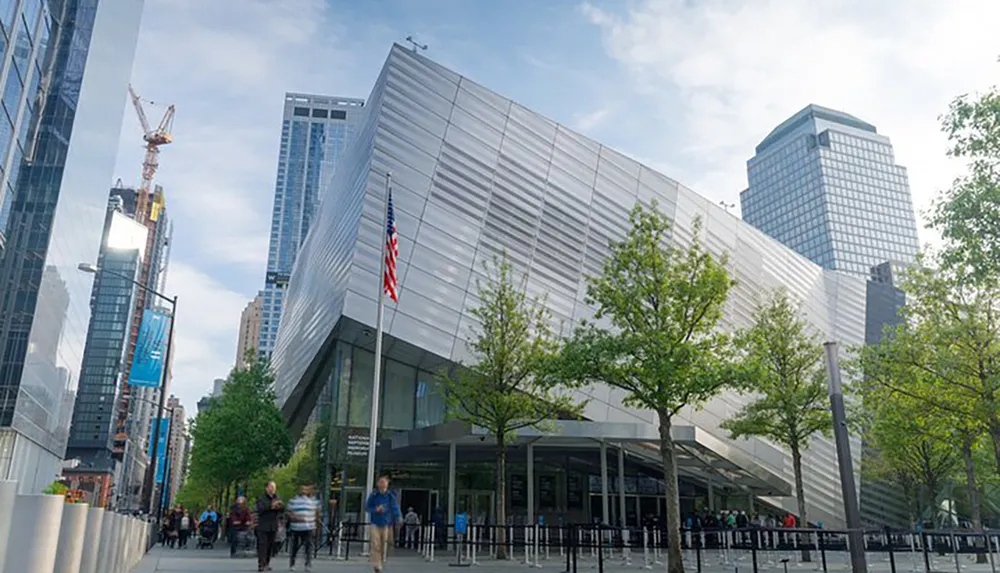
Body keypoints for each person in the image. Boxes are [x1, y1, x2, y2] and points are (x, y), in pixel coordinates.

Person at [366, 476, 401, 573]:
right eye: (380, 482)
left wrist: (398, 518)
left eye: (384, 482)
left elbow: (395, 507)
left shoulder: (390, 496)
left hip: (386, 523)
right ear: (377, 484)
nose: (382, 484)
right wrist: (375, 510)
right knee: (375, 544)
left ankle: (381, 562)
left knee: (383, 545)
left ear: (387, 484)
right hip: (375, 523)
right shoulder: (374, 495)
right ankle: (377, 565)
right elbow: (367, 507)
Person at [287, 485, 321, 572]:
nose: (304, 491)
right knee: (294, 546)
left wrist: (316, 526)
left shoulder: (314, 501)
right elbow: (288, 512)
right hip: (296, 527)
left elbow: (317, 514)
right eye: (302, 489)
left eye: (306, 489)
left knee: (308, 546)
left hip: (309, 526)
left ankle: (308, 564)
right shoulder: (293, 501)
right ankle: (292, 563)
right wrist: (294, 516)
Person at [256, 481, 284, 572]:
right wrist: (271, 506)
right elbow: (260, 509)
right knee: (262, 545)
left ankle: (267, 563)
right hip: (263, 525)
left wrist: (279, 506)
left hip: (273, 525)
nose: (273, 489)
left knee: (270, 546)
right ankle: (261, 564)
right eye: (271, 487)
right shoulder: (261, 498)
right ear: (267, 488)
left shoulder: (277, 497)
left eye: (274, 487)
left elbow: (282, 508)